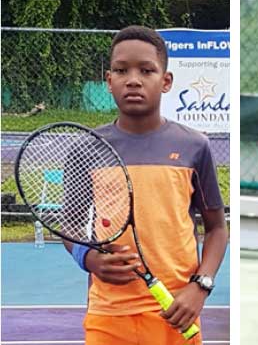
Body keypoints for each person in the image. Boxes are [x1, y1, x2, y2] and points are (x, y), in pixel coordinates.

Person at [64, 25, 228, 344]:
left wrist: (200, 286)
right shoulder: (86, 148)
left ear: (165, 81)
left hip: (177, 313)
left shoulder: (195, 146)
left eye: (147, 70)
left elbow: (217, 228)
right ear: (109, 81)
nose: (134, 79)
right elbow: (69, 227)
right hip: (108, 315)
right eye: (122, 70)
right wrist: (90, 258)